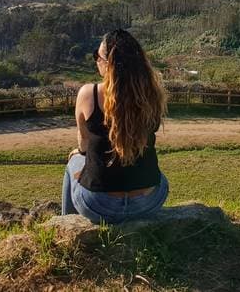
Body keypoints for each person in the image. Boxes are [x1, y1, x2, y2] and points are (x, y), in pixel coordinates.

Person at [62, 29, 169, 224]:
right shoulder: (152, 94)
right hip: (149, 202)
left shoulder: (89, 93)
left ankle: (68, 224)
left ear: (109, 64)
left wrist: (78, 153)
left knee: (73, 162)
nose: (96, 60)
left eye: (98, 56)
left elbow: (85, 144)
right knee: (160, 177)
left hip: (98, 205)